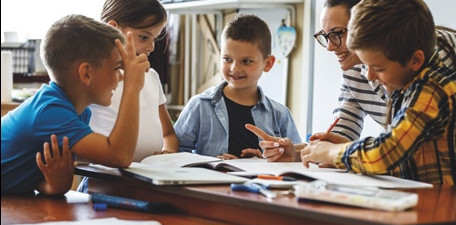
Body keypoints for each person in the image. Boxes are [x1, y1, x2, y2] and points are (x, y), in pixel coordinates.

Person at [270, 0, 456, 185]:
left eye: (336, 33)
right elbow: (397, 149)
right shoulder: (384, 71)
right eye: (324, 36)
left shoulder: (430, 81)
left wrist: (331, 152)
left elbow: (387, 151)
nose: (369, 76)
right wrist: (305, 151)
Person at [1, 14, 149, 195]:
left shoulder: (77, 112)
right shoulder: (50, 112)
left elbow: (26, 178)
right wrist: (132, 88)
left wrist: (57, 186)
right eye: (117, 68)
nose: (121, 77)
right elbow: (119, 155)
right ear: (86, 73)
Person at [173, 14, 301, 159]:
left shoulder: (280, 115)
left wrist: (261, 161)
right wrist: (212, 164)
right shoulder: (199, 105)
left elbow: (294, 158)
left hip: (261, 181)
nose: (234, 68)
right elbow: (177, 154)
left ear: (268, 63)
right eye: (227, 59)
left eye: (246, 61)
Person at [89, 0, 178, 162]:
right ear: (113, 29)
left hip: (149, 177)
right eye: (144, 37)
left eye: (155, 39)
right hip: (106, 178)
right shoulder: (93, 78)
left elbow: (168, 134)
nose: (151, 47)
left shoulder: (151, 76)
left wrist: (168, 153)